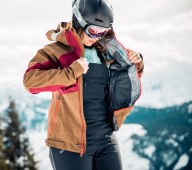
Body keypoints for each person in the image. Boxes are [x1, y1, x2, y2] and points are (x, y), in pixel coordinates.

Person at [23, 0, 144, 169]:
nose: (97, 37)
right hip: (69, 144)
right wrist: (70, 73)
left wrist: (135, 63)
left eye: (103, 32)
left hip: (105, 138)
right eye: (93, 30)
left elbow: (122, 82)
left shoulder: (106, 52)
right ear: (79, 21)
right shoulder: (55, 51)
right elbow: (31, 81)